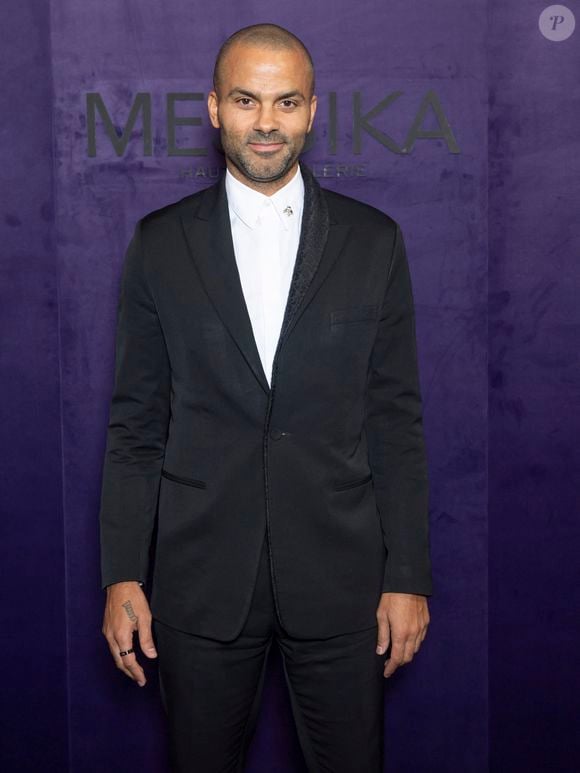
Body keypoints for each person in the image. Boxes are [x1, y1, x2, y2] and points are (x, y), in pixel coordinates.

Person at [99, 22, 433, 773]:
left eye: (286, 102)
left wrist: (408, 574)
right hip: (201, 579)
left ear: (312, 111)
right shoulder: (159, 244)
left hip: (343, 579)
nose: (267, 122)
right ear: (215, 108)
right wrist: (122, 573)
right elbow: (135, 427)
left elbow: (395, 420)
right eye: (247, 100)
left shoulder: (374, 241)